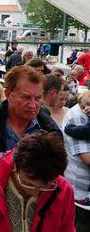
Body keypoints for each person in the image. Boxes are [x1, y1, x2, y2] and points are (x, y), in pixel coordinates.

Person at [62, 91, 90, 231]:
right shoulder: (80, 116)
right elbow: (87, 159)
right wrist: (69, 129)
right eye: (85, 105)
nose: (87, 109)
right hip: (81, 195)